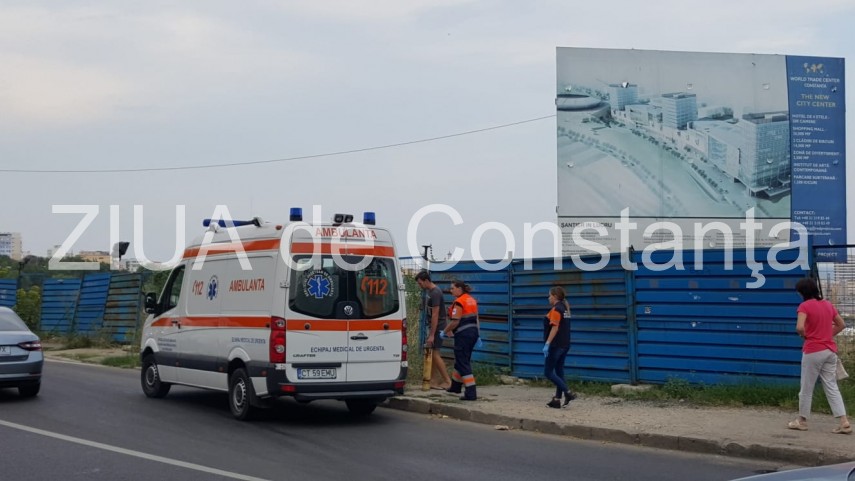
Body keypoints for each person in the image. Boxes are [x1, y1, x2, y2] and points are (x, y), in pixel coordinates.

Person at [787, 277, 851, 434]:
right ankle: (844, 421)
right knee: (831, 386)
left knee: (806, 387)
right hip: (830, 350)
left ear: (802, 292)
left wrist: (807, 336)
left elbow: (800, 327)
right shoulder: (827, 304)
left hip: (813, 351)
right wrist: (827, 335)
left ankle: (801, 421)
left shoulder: (804, 306)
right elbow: (842, 324)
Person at [415, 271, 452, 390]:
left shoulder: (436, 292)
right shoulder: (430, 292)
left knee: (435, 353)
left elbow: (436, 314)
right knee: (434, 353)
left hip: (438, 326)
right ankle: (434, 380)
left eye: (420, 283)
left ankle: (448, 381)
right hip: (435, 326)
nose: (420, 286)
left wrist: (432, 335)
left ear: (426, 281)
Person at [443, 279, 479, 401]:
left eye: (452, 288)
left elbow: (455, 321)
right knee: (461, 359)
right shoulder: (471, 300)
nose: (450, 290)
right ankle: (455, 386)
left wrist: (445, 331)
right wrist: (478, 334)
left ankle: (471, 392)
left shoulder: (459, 302)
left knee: (463, 361)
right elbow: (477, 318)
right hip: (473, 333)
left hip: (463, 335)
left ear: (459, 289)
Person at [543, 286, 576, 408]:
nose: (548, 298)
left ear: (555, 296)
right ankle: (557, 400)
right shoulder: (565, 309)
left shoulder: (557, 309)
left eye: (550, 295)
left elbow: (555, 327)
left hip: (556, 345)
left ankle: (568, 393)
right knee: (559, 371)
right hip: (565, 344)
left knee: (548, 372)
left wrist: (547, 343)